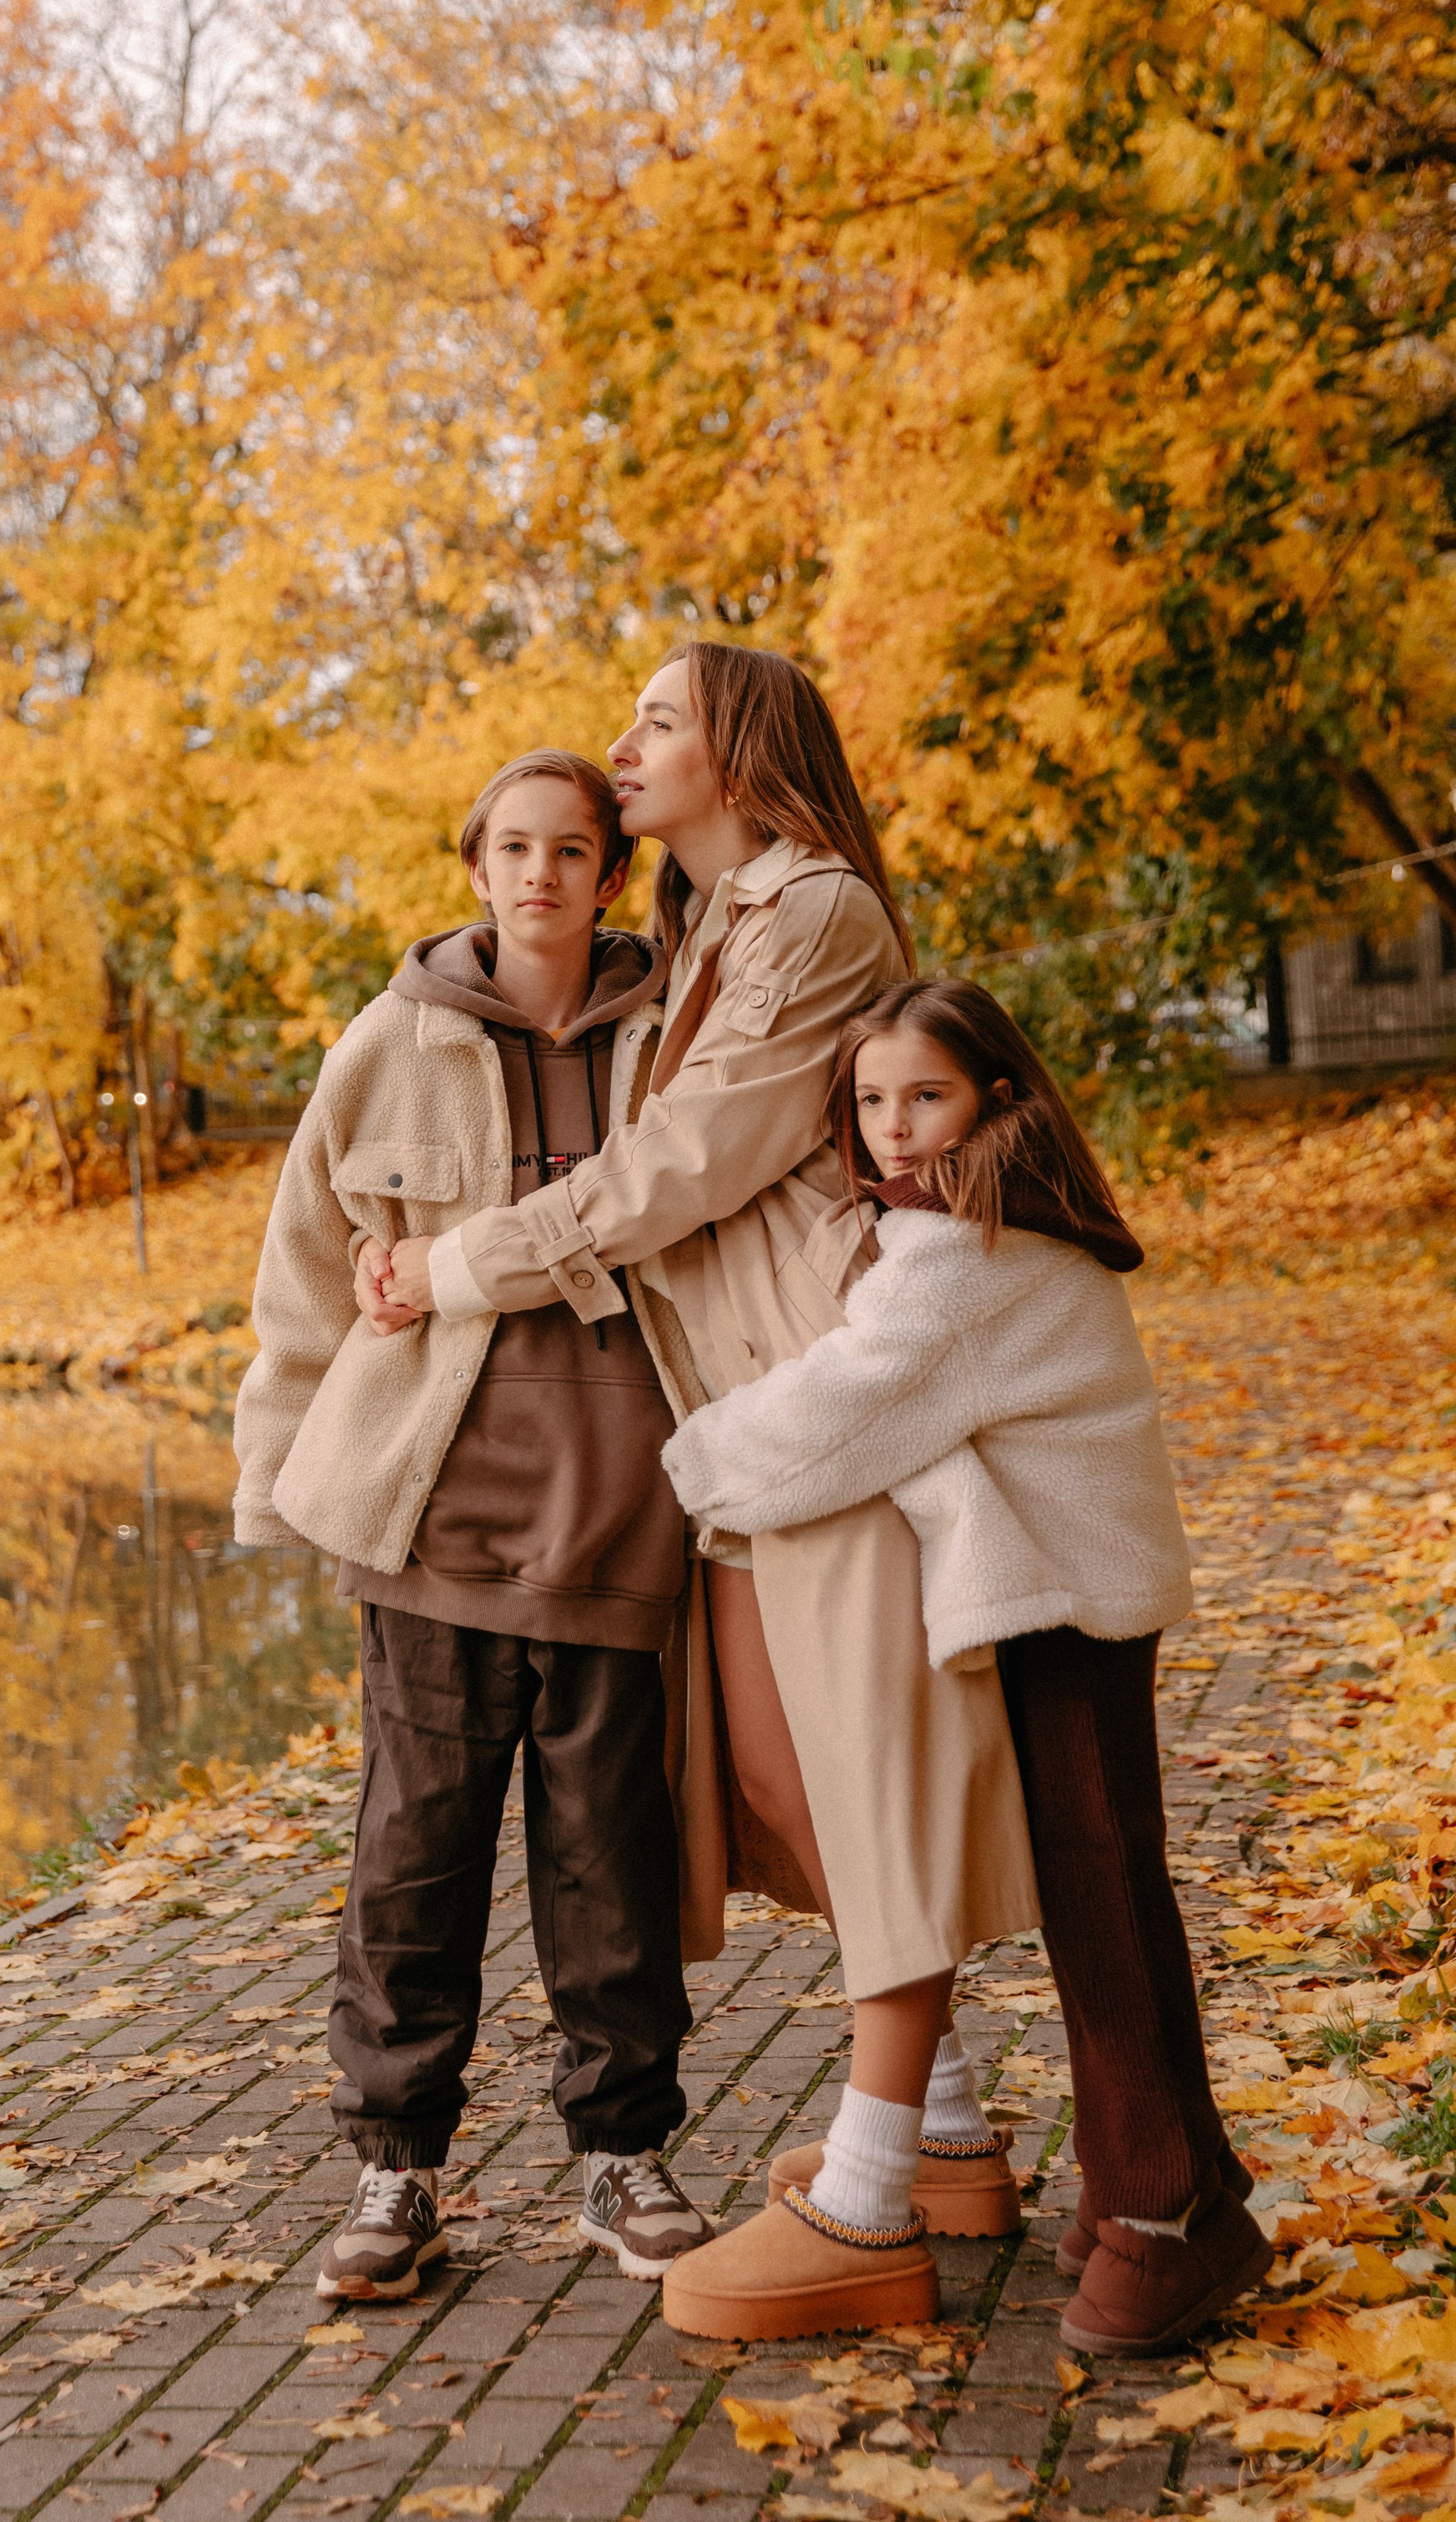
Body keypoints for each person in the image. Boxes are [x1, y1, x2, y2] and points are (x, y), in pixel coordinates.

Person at [368, 645, 1040, 2339]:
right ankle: (945, 2120)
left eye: (656, 721)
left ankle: (877, 2192)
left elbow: (683, 1165)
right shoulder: (705, 927)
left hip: (819, 1388)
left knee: (854, 1780)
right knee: (771, 1778)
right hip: (734, 1411)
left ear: (738, 752)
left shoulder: (808, 915)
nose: (623, 747)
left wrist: (460, 1265)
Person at [655, 979, 1270, 2354]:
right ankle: (1183, 2186)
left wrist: (680, 1467)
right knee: (1107, 1889)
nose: (890, 1129)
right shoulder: (971, 1225)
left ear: (997, 1097)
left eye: (922, 1096)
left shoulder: (963, 1256)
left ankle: (1165, 2214)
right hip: (1069, 1585)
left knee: (1100, 1901)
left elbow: (834, 1416)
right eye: (869, 1102)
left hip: (1075, 1602)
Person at [231, 749, 718, 2302]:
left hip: (628, 1519)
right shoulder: (388, 1046)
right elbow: (305, 1279)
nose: (542, 878)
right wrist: (273, 1479)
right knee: (413, 1858)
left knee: (609, 1864)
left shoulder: (679, 1036)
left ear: (608, 872)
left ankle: (621, 2158)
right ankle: (396, 2176)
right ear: (476, 866)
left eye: (573, 851)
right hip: (432, 1522)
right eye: (514, 848)